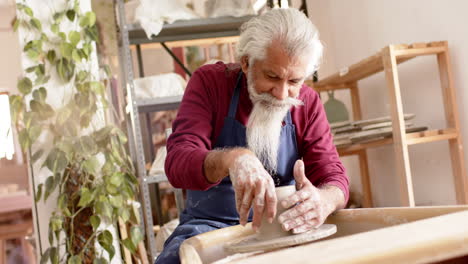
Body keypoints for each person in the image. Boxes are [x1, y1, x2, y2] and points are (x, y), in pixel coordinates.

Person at [156, 8, 349, 264]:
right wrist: (233, 160)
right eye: (272, 76)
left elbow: (333, 176)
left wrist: (324, 200)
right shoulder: (211, 83)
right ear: (246, 62)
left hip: (285, 228)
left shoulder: (308, 103)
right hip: (211, 226)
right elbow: (178, 162)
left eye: (294, 81)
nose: (282, 94)